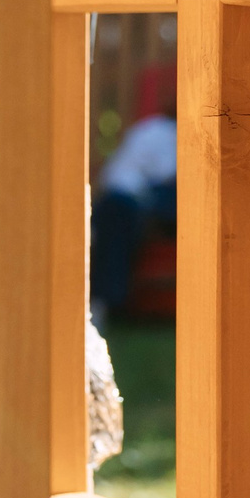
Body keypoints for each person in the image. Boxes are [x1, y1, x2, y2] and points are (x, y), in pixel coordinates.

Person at [89, 64, 175, 326]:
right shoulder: (159, 132)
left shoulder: (152, 129)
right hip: (132, 198)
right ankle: (106, 301)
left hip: (137, 198)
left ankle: (105, 302)